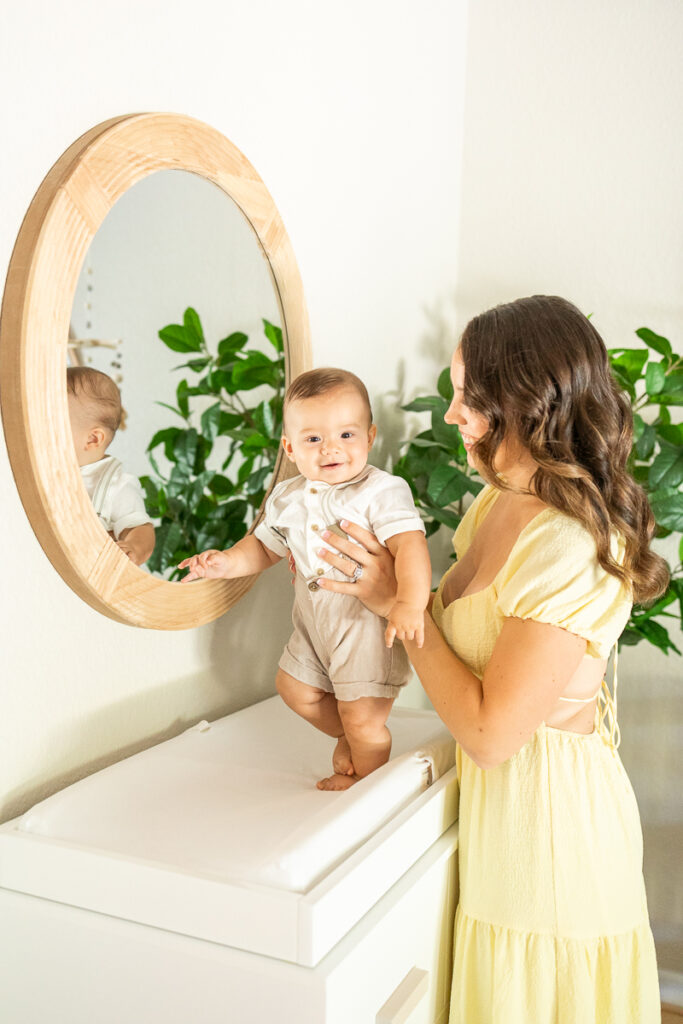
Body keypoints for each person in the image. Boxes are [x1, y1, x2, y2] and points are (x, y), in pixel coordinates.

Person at [308, 297, 667, 1023]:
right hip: (504, 828)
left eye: (466, 396)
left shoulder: (565, 541)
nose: (450, 415)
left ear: (520, 401)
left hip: (554, 838)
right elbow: (446, 632)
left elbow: (490, 734)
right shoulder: (497, 502)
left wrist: (395, 609)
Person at [179, 367, 432, 790]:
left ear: (370, 437)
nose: (331, 448)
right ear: (290, 447)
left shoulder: (381, 491)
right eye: (313, 439)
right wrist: (224, 562)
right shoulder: (287, 497)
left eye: (346, 435)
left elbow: (410, 546)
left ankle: (368, 786)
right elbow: (263, 547)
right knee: (293, 688)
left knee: (363, 718)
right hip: (312, 627)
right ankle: (346, 736)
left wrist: (410, 603)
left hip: (364, 629)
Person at [67, 366, 155, 566]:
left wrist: (133, 548)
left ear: (92, 439)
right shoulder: (44, 471)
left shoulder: (114, 486)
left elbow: (139, 527)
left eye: (54, 425)